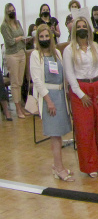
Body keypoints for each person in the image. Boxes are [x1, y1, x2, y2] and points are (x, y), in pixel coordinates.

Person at [62, 16, 98, 177]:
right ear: (75, 30)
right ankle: (91, 166)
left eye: (85, 26)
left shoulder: (95, 47)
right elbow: (69, 75)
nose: (82, 28)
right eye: (79, 26)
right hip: (80, 91)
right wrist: (81, 94)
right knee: (85, 130)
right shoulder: (69, 50)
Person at [30, 24, 74, 181]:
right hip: (48, 97)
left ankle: (58, 166)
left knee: (60, 133)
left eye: (46, 36)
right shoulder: (35, 55)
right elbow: (37, 80)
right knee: (54, 135)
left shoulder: (56, 53)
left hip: (60, 95)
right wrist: (49, 101)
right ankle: (59, 168)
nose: (44, 39)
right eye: (41, 37)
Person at [2, 3, 28, 118]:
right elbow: (10, 41)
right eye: (10, 11)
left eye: (13, 10)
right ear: (6, 12)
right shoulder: (4, 26)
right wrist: (19, 39)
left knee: (20, 82)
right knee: (15, 82)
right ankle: (17, 109)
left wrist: (24, 39)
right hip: (12, 55)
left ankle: (21, 107)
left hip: (22, 52)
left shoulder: (17, 23)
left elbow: (22, 35)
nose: (12, 12)